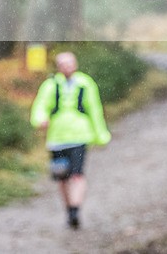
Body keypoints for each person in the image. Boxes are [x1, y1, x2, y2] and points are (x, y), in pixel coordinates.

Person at [30, 52, 111, 229]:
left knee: (77, 175)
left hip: (79, 137)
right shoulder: (50, 85)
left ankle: (75, 209)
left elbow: (94, 110)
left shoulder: (85, 83)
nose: (67, 67)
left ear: (75, 64)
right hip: (57, 139)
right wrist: (40, 120)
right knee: (62, 178)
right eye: (63, 64)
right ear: (58, 67)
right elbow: (41, 106)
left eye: (70, 63)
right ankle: (69, 210)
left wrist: (101, 135)